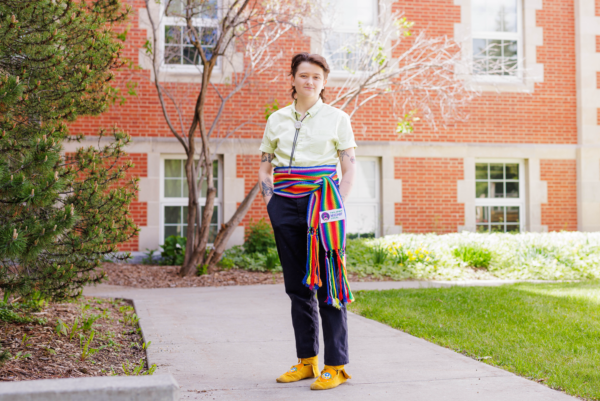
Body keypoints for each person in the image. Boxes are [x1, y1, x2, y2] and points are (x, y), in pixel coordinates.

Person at [257, 52, 357, 391]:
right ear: (293, 79)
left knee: (330, 284)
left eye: (316, 76)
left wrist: (336, 204)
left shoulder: (338, 118)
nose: (310, 81)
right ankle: (306, 361)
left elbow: (349, 165)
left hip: (323, 207)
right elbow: (265, 164)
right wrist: (271, 201)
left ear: (324, 82)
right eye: (304, 75)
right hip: (284, 204)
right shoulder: (277, 119)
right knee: (298, 287)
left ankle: (336, 365)